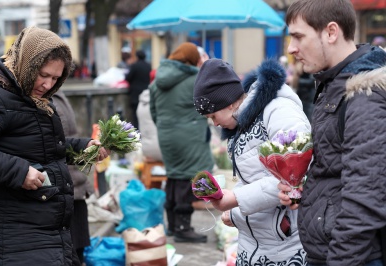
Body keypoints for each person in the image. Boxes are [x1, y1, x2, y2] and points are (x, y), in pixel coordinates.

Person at [0, 26, 109, 265]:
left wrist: (83, 148)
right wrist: (18, 172)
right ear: (27, 64)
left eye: (55, 79)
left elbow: (42, 148)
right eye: (43, 74)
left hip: (46, 230)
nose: (47, 84)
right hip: (13, 235)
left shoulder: (32, 98)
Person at [277, 1, 386, 265]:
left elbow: (365, 199)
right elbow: (337, 169)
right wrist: (307, 191)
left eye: (298, 36)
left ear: (331, 32)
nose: (291, 48)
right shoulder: (334, 83)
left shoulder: (364, 96)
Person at [193, 58, 311, 265]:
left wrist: (236, 199)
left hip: (285, 247)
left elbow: (296, 174)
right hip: (254, 244)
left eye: (213, 115)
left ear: (228, 102)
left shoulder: (279, 111)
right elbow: (251, 179)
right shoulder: (240, 122)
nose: (215, 123)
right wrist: (236, 212)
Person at [150, 42, 214, 243]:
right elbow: (208, 105)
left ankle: (171, 225)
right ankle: (183, 228)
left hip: (167, 136)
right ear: (192, 59)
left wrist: (167, 127)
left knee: (173, 176)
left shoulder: (157, 81)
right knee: (188, 177)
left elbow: (154, 112)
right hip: (190, 137)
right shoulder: (195, 79)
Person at [52, 90, 94, 265]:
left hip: (74, 182)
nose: (49, 81)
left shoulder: (57, 93)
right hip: (60, 185)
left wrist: (86, 147)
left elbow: (67, 139)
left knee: (78, 247)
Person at [125, 50, 152, 129]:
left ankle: (137, 132)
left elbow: (128, 77)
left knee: (135, 115)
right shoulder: (148, 66)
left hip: (135, 94)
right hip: (146, 93)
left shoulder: (135, 66)